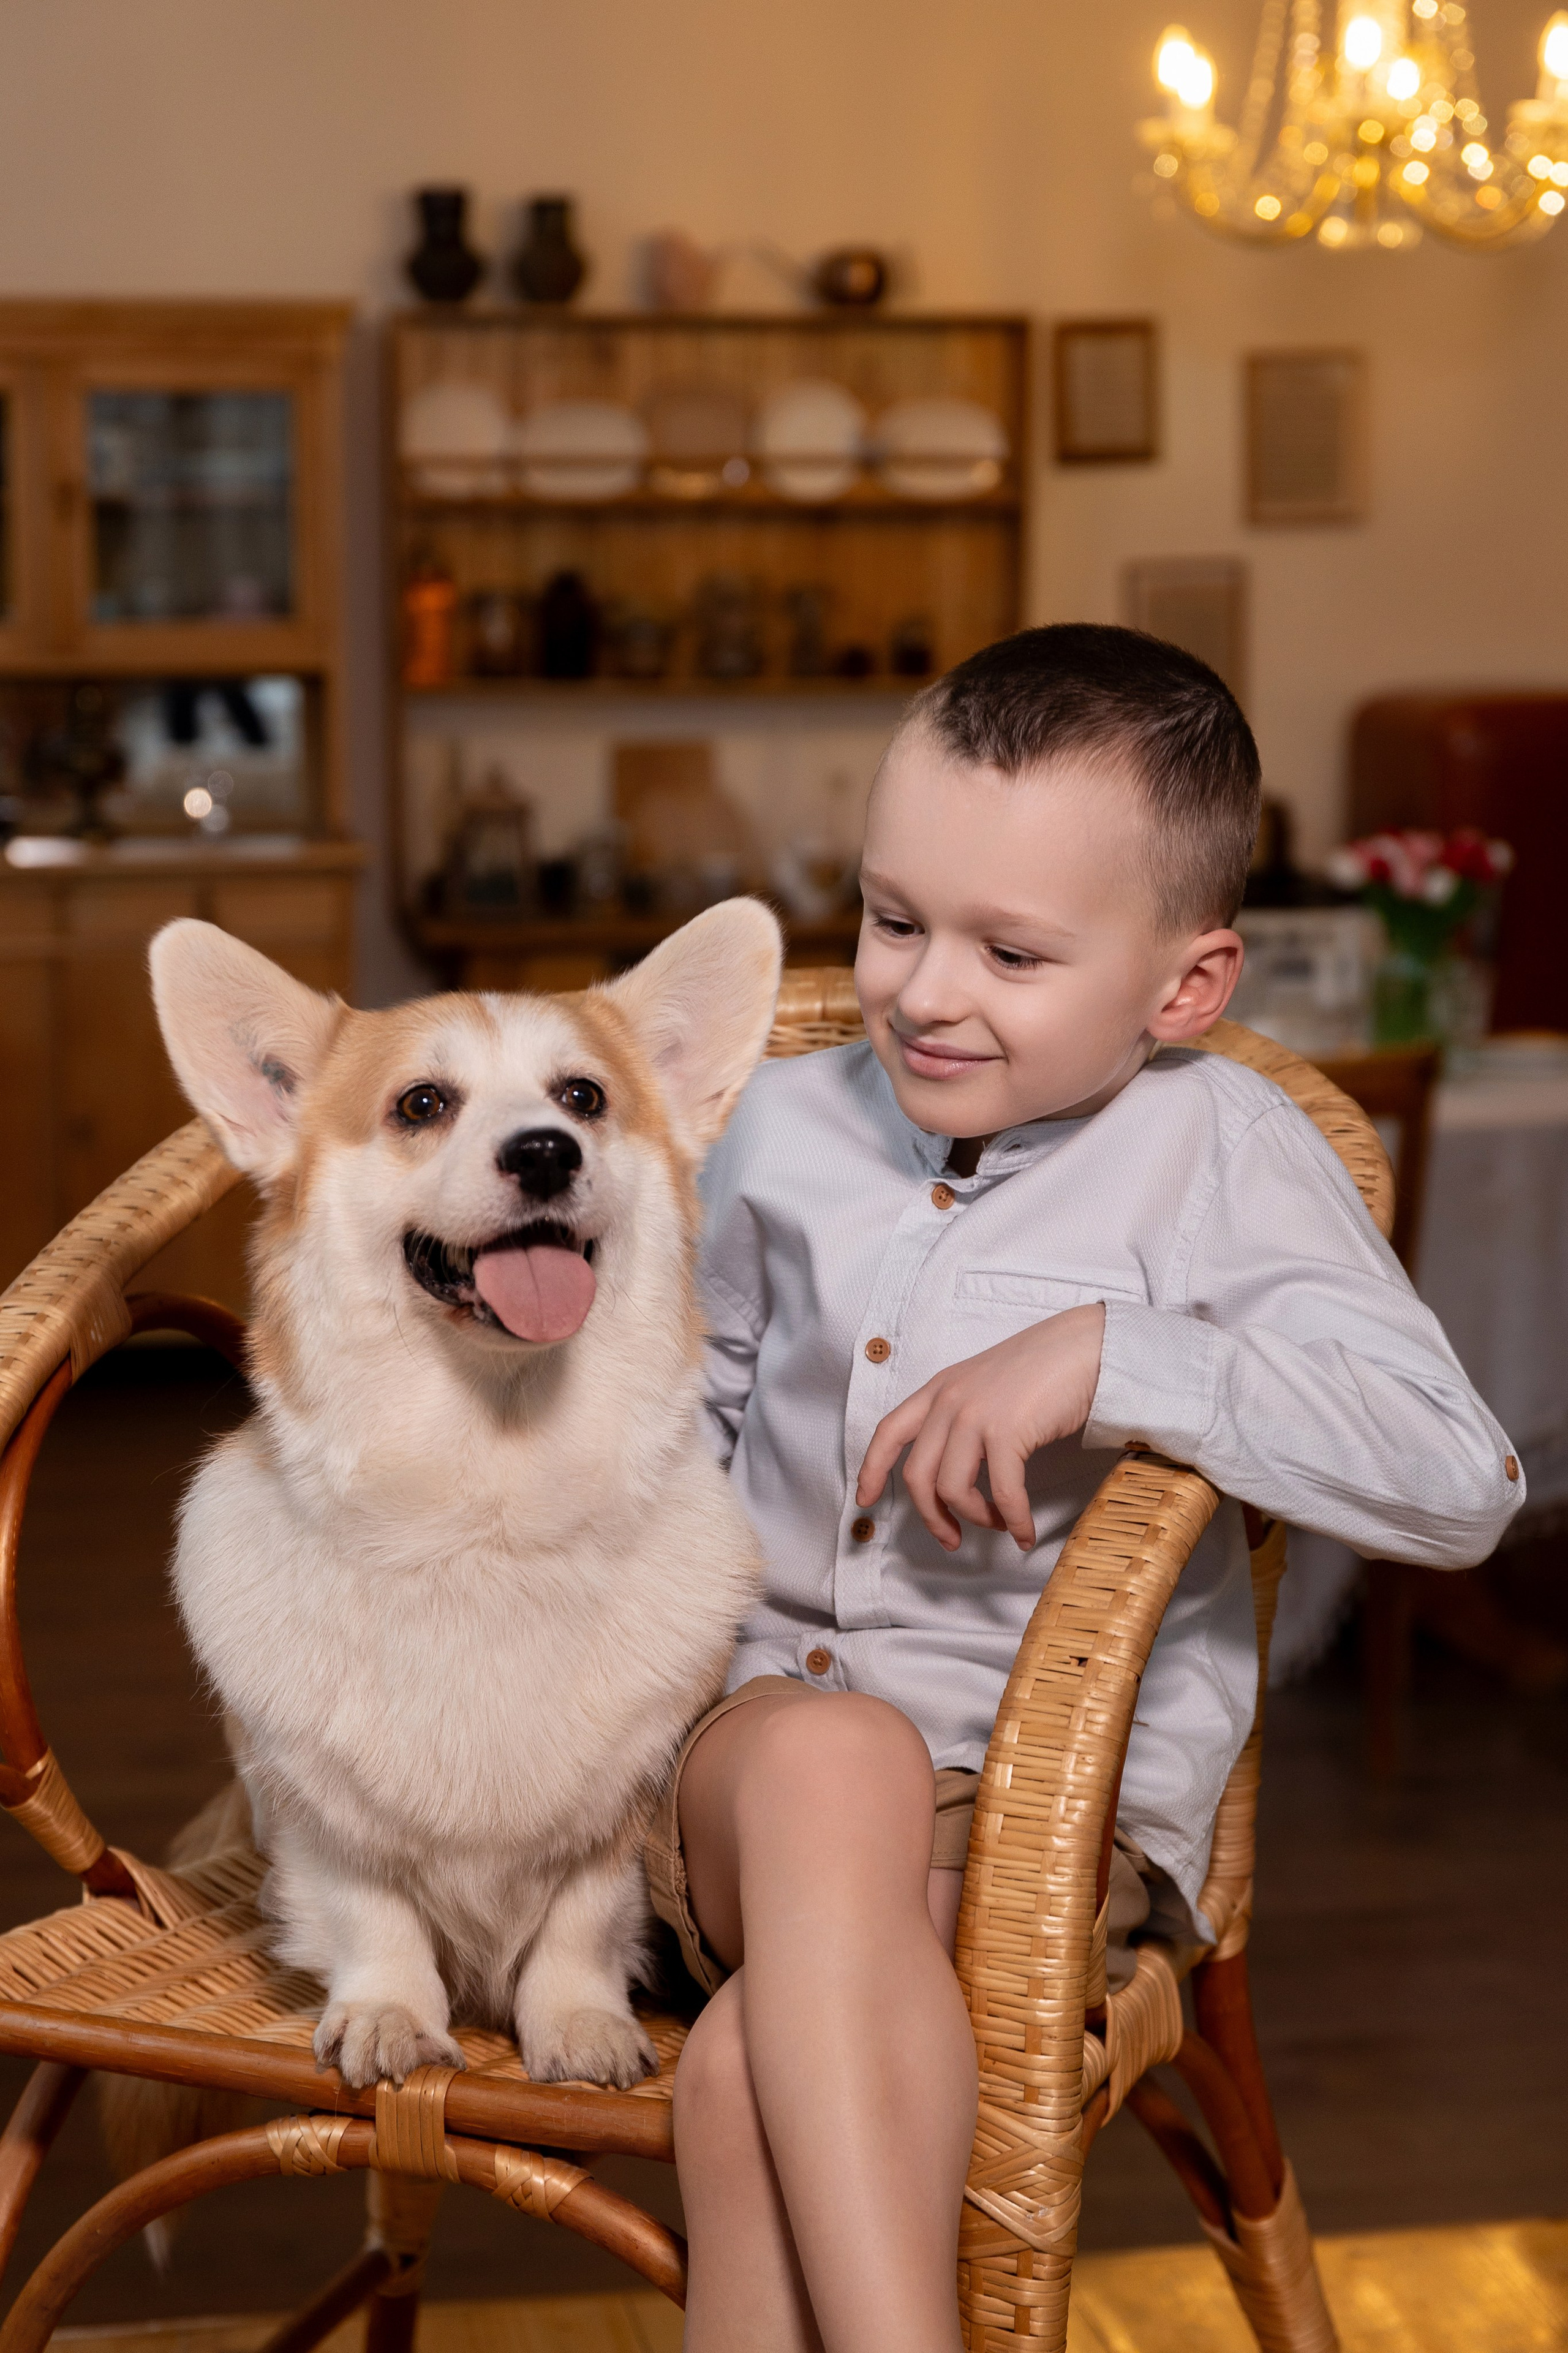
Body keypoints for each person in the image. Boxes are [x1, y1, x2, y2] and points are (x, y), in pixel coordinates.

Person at [646, 625, 1522, 2353]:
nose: (924, 991)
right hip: (741, 1773)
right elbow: (668, 1434)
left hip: (1026, 1816)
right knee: (834, 1756)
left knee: (754, 2071)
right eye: (892, 918)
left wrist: (1120, 1354)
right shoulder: (776, 1126)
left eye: (1012, 951)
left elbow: (1462, 1480)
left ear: (1184, 987)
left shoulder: (1222, 1154)